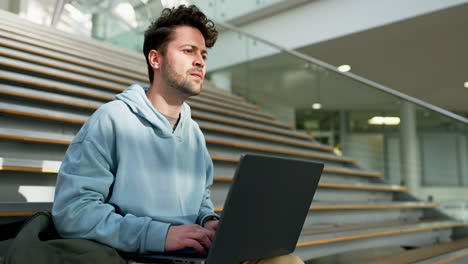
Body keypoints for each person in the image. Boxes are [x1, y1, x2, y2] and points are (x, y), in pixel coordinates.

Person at [52, 5, 303, 264]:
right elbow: (74, 211)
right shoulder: (111, 120)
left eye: (203, 55)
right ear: (155, 59)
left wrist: (209, 220)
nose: (200, 61)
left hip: (192, 253)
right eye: (188, 51)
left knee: (285, 260)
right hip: (139, 255)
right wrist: (160, 235)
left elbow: (200, 199)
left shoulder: (193, 133)